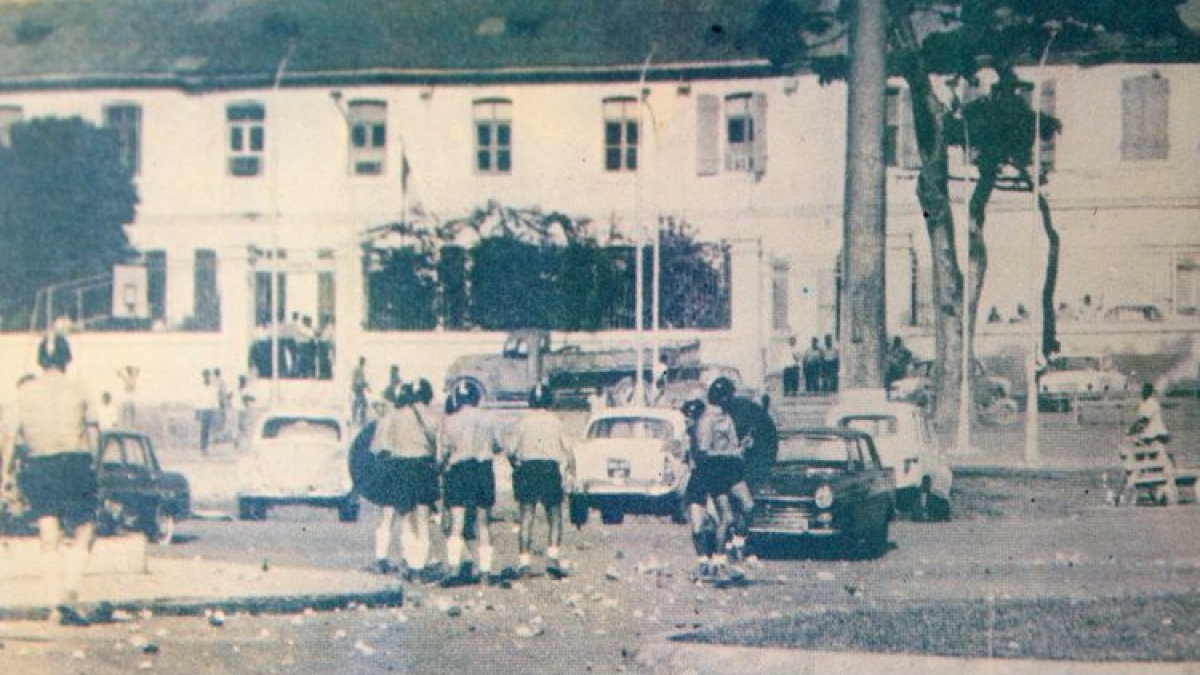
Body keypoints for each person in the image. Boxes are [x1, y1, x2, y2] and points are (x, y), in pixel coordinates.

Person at [11, 335, 99, 625]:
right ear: (66, 358)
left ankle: (53, 602)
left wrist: (5, 474)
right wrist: (95, 468)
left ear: (40, 360)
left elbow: (10, 436)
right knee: (84, 530)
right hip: (75, 461)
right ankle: (70, 591)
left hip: (40, 462)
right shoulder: (80, 388)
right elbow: (94, 432)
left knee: (48, 536)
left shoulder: (25, 393)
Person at [371, 384, 439, 583]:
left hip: (400, 467)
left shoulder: (390, 418)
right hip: (423, 466)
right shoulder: (429, 416)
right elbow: (439, 444)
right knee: (423, 521)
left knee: (406, 520)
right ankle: (419, 568)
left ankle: (409, 565)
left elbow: (379, 447)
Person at [506, 385, 574, 579]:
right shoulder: (557, 422)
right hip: (549, 469)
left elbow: (510, 450)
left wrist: (515, 465)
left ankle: (524, 562)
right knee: (555, 516)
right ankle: (552, 558)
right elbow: (569, 451)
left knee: (526, 516)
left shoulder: (522, 422)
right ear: (549, 400)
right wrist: (571, 471)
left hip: (527, 469)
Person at [707, 376, 777, 562]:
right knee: (726, 517)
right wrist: (732, 452)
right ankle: (719, 558)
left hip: (733, 470)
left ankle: (738, 543)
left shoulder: (734, 414)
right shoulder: (708, 420)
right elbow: (705, 450)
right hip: (717, 472)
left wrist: (744, 445)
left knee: (748, 505)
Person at [437, 382, 502, 586]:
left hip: (458, 469)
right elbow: (498, 446)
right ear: (476, 397)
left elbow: (443, 453)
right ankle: (485, 572)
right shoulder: (489, 419)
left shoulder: (449, 421)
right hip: (482, 468)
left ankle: (454, 569)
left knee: (457, 522)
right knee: (483, 522)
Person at [682, 386, 744, 583]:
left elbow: (707, 451)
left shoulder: (707, 423)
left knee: (724, 519)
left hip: (714, 476)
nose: (690, 418)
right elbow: (700, 454)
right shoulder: (695, 429)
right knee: (698, 527)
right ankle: (705, 562)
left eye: (693, 414)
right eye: (688, 414)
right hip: (699, 479)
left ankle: (718, 561)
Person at [1120, 383, 1176, 505]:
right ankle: (1150, 485)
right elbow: (1141, 422)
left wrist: (1131, 430)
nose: (1144, 393)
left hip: (1157, 434)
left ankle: (1154, 486)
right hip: (1149, 435)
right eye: (1143, 390)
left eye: (1146, 391)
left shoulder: (1152, 403)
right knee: (1144, 458)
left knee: (1153, 460)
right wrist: (1133, 431)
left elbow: (1144, 420)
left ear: (1151, 392)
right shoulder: (1144, 403)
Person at [195, 369, 217, 454]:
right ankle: (203, 448)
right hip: (203, 410)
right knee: (203, 430)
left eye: (208, 375)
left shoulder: (213, 388)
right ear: (203, 376)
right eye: (205, 375)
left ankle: (208, 448)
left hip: (210, 410)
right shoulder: (200, 387)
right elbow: (197, 400)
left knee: (210, 430)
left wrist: (215, 411)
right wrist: (197, 412)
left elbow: (215, 400)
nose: (207, 377)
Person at [351, 357, 371, 427]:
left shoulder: (358, 369)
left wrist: (366, 386)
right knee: (363, 404)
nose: (364, 363)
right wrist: (366, 386)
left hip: (357, 388)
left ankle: (356, 419)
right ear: (362, 362)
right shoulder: (359, 369)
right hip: (358, 389)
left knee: (359, 404)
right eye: (364, 361)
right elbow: (360, 380)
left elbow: (359, 380)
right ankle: (361, 420)